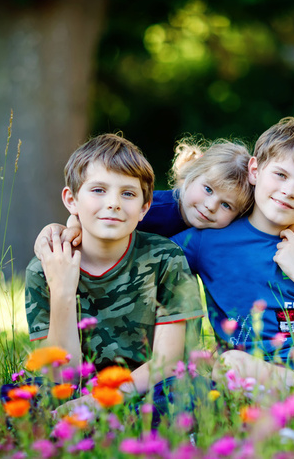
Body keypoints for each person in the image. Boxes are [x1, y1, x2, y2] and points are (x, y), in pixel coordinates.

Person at [170, 116, 294, 390]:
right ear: (255, 170)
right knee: (222, 364)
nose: (289, 191)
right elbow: (145, 242)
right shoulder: (208, 241)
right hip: (246, 370)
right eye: (280, 175)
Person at [25, 133, 204, 406]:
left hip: (147, 387)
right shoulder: (44, 268)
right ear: (71, 200)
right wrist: (62, 291)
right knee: (12, 400)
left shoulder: (166, 258)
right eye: (98, 190)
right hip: (74, 393)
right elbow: (62, 376)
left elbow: (167, 364)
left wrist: (96, 404)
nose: (113, 203)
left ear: (145, 207)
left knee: (187, 394)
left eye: (128, 193)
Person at [34, 138, 294, 252]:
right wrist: (72, 226)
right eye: (207, 189)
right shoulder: (149, 207)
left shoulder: (225, 228)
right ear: (190, 171)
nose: (210, 206)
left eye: (227, 204)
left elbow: (264, 221)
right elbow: (92, 220)